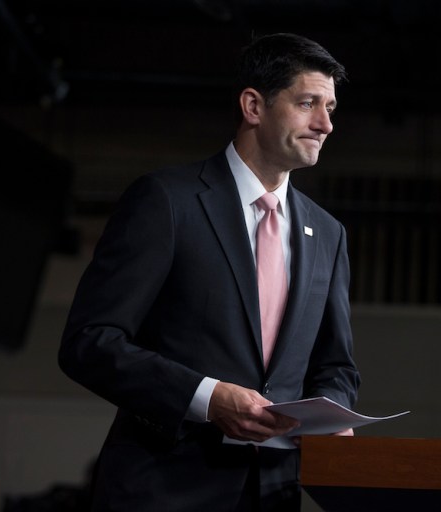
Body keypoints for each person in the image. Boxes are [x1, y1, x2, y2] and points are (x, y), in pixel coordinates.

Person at [58, 32, 360, 512]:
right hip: (164, 490)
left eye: (331, 108)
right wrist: (206, 397)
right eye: (308, 103)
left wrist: (329, 413)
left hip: (272, 494)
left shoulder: (328, 233)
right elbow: (90, 342)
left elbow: (335, 367)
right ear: (253, 106)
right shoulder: (167, 202)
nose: (325, 124)